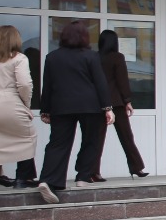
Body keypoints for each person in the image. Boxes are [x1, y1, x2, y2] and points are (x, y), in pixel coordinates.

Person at [37, 21, 114, 204]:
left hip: (61, 106)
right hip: (90, 106)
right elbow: (100, 83)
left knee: (58, 144)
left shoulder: (52, 57)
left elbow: (47, 86)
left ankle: (49, 180)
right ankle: (83, 177)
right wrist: (108, 108)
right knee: (91, 140)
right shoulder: (91, 56)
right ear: (84, 37)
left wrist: (45, 109)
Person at [82, 29, 148, 180]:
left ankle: (93, 172)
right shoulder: (117, 57)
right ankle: (136, 167)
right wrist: (128, 101)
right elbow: (122, 80)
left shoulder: (94, 57)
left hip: (97, 102)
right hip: (116, 103)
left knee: (96, 139)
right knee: (126, 136)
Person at [0, 25, 38, 189]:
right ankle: (24, 177)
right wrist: (26, 105)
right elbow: (24, 84)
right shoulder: (19, 58)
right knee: (27, 137)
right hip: (10, 101)